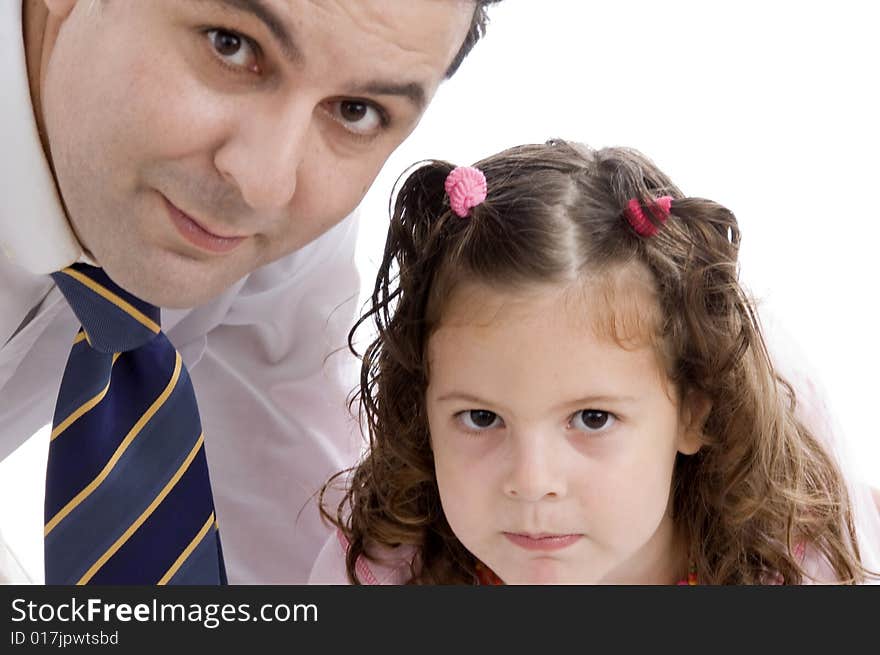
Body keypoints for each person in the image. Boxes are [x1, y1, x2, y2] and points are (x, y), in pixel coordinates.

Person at [0, 0, 501, 584]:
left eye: (356, 110)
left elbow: (304, 542)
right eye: (229, 45)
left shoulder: (280, 213)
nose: (265, 183)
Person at [310, 140, 880, 584]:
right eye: (481, 418)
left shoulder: (796, 569)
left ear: (694, 411)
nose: (532, 483)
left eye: (592, 418)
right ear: (423, 411)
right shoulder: (383, 570)